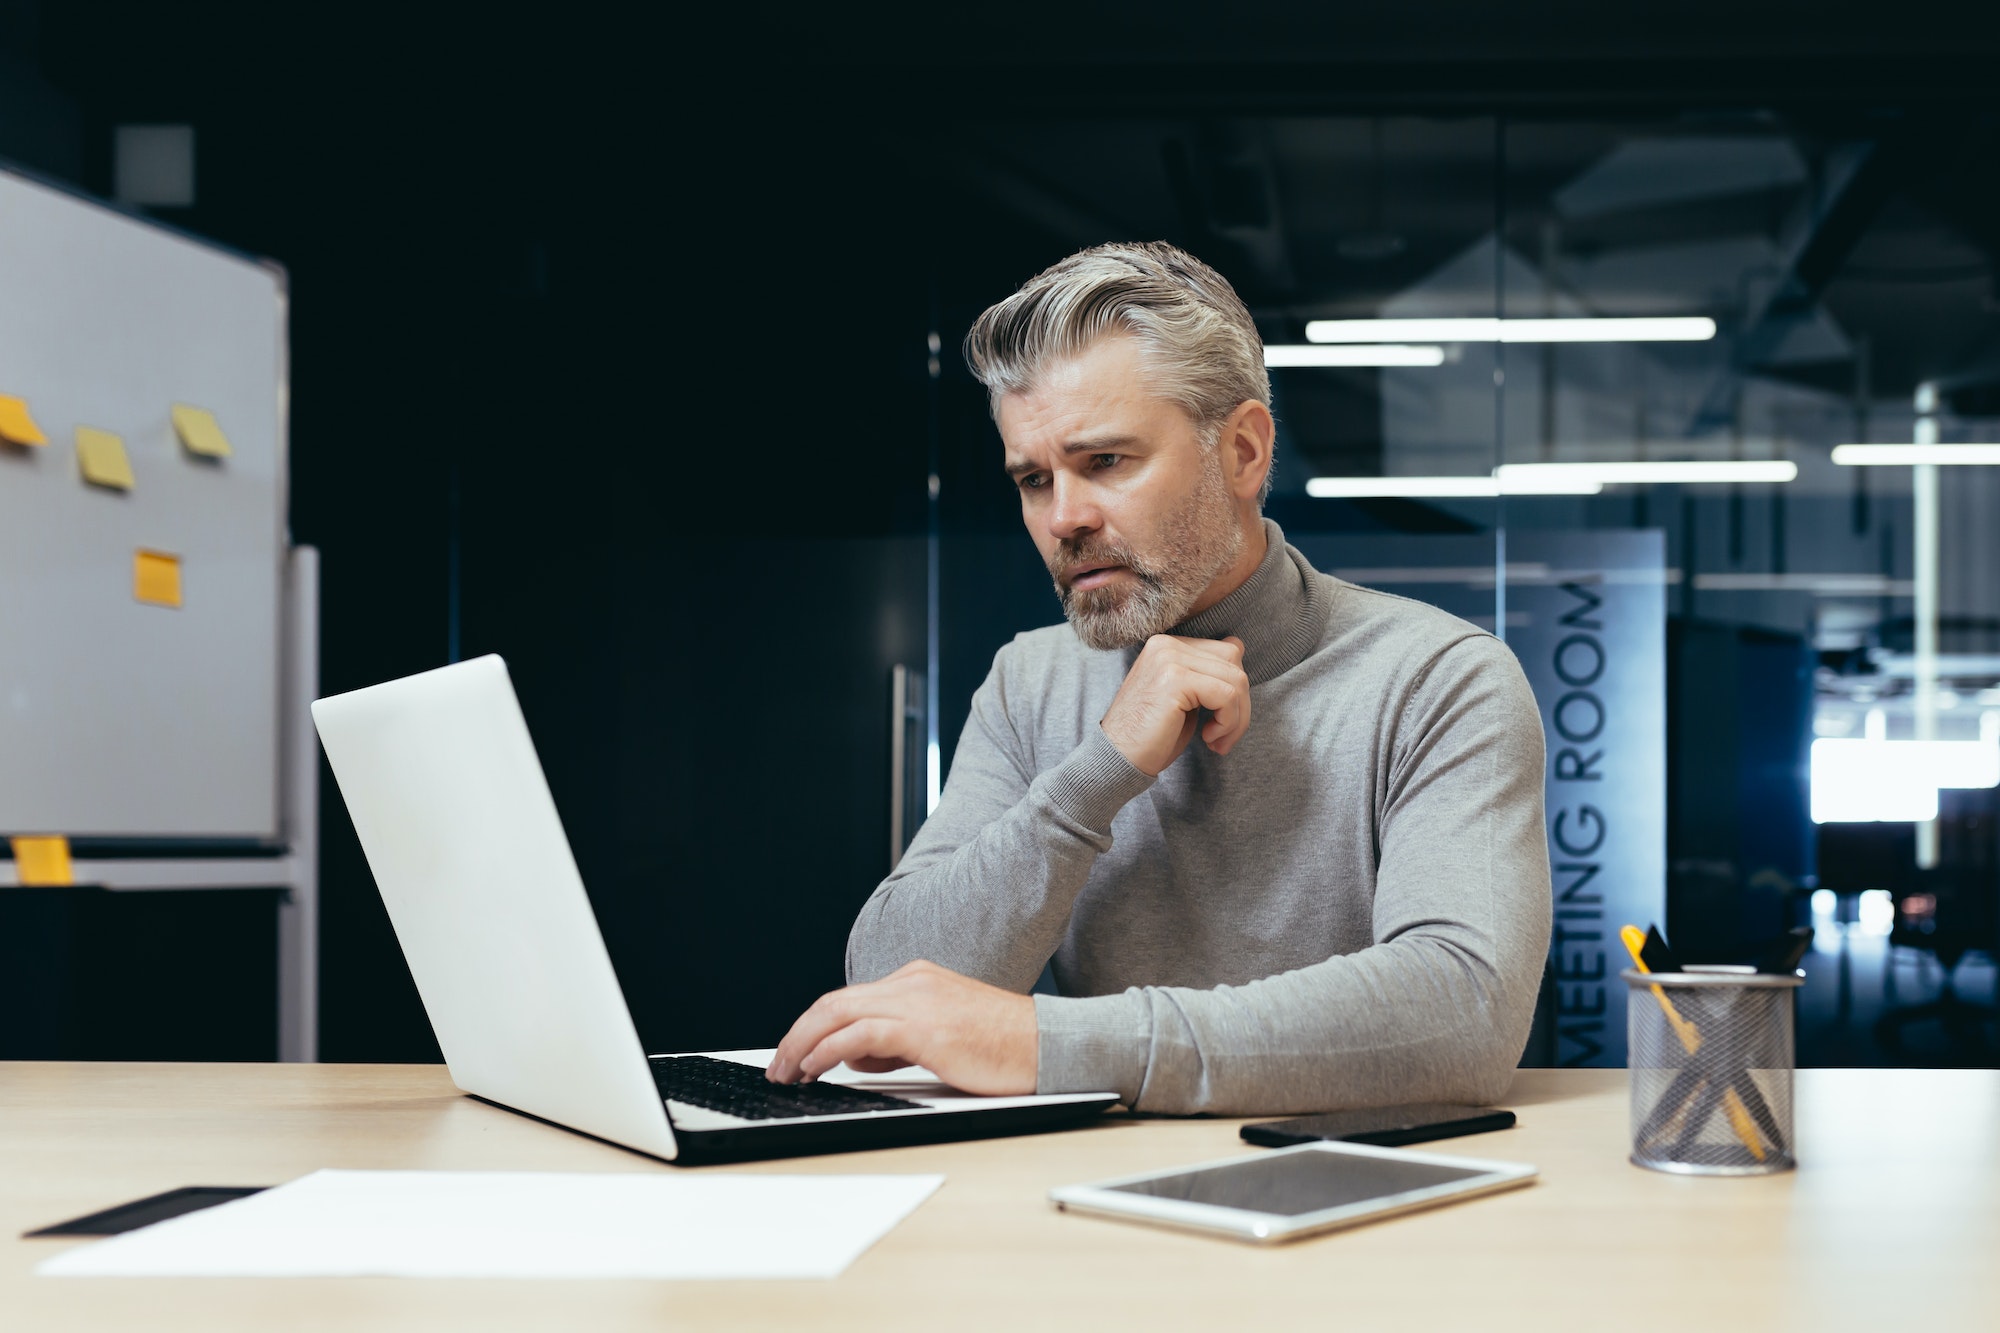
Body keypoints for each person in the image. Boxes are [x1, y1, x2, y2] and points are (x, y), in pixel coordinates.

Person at [767, 241, 1551, 1114]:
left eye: (1106, 461)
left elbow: (1464, 1014)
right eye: (1033, 479)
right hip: (1092, 1209)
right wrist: (1099, 773)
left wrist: (1048, 1043)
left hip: (1367, 1209)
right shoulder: (1030, 682)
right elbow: (886, 990)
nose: (1063, 517)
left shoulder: (1440, 682)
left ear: (1245, 452)